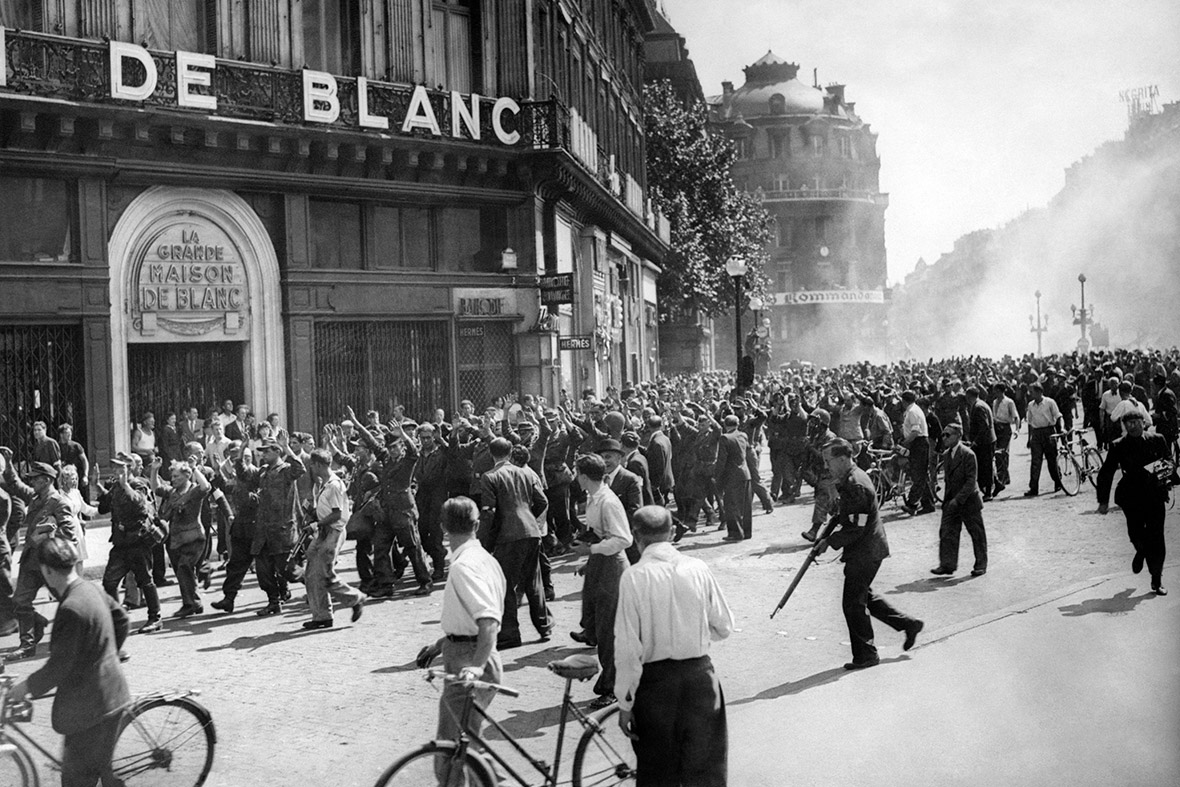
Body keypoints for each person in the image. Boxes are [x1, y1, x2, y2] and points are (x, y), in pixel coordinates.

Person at [614, 505, 733, 787]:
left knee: (658, 773)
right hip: (700, 679)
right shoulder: (697, 568)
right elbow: (724, 626)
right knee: (705, 771)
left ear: (636, 535)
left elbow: (628, 648)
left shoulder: (634, 576)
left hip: (656, 687)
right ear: (670, 532)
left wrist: (625, 702)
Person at [10, 538, 131, 787]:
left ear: (47, 570)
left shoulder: (71, 608)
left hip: (93, 710)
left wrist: (25, 688)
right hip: (112, 695)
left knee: (76, 780)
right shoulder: (91, 588)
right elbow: (122, 619)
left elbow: (58, 667)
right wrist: (105, 657)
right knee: (102, 772)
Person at [815, 439, 923, 670]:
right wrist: (826, 533)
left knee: (853, 603)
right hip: (865, 548)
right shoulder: (849, 478)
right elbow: (846, 515)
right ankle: (909, 624)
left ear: (843, 459)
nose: (826, 466)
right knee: (864, 597)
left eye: (828, 461)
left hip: (866, 551)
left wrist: (829, 542)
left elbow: (856, 527)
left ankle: (866, 654)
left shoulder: (855, 484)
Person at [415, 496, 506, 769]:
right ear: (476, 525)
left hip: (469, 660)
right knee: (470, 746)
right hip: (473, 651)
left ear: (443, 527)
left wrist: (475, 667)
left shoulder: (462, 566)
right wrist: (442, 644)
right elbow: (473, 619)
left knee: (450, 749)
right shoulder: (485, 559)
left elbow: (488, 620)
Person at [571, 453, 633, 708]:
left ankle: (613, 688)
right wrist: (589, 552)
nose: (576, 478)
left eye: (577, 474)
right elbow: (600, 533)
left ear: (585, 476)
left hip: (613, 567)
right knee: (597, 625)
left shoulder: (608, 501)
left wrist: (591, 551)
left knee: (609, 632)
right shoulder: (593, 497)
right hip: (600, 564)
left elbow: (623, 539)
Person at [478, 437, 552, 649]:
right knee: (533, 580)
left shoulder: (490, 476)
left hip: (508, 537)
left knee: (506, 585)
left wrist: (485, 541)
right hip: (532, 532)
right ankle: (544, 625)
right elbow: (542, 502)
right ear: (510, 452)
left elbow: (489, 513)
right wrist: (530, 519)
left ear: (491, 454)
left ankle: (510, 634)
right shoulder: (526, 472)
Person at [6, 461, 78, 661]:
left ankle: (83, 638)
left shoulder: (59, 502)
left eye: (35, 479)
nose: (32, 482)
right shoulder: (37, 498)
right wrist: (9, 464)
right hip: (31, 560)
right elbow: (16, 484)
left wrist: (49, 535)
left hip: (50, 564)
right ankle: (28, 644)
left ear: (46, 480)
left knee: (70, 601)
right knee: (20, 601)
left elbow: (70, 535)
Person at [1097, 410, 1172, 595]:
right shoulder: (1118, 446)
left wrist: (1154, 473)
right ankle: (1141, 550)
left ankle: (1157, 580)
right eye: (1128, 423)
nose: (1132, 426)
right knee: (1135, 533)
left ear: (1143, 422)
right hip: (1131, 497)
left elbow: (1169, 462)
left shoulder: (1157, 439)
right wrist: (1103, 501)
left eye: (1135, 422)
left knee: (1157, 537)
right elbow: (1106, 473)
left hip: (1154, 495)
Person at [301, 449, 366, 629]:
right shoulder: (324, 484)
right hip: (323, 531)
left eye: (313, 465)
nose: (311, 468)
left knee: (324, 573)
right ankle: (321, 615)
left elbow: (337, 515)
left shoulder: (334, 485)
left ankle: (355, 599)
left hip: (333, 532)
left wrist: (316, 524)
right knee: (311, 572)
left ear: (320, 465)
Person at [97, 459, 163, 633]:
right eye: (115, 467)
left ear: (130, 468)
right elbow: (103, 508)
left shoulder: (138, 484)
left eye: (122, 467)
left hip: (137, 541)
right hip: (120, 543)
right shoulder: (115, 487)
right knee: (109, 582)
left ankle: (155, 618)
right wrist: (96, 485)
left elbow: (141, 505)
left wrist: (126, 485)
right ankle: (116, 619)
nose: (117, 470)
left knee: (145, 581)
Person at [251, 433, 307, 615]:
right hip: (264, 529)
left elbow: (300, 469)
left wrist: (287, 448)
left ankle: (316, 583)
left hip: (282, 529)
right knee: (263, 571)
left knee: (289, 570)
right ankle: (273, 601)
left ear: (277, 451)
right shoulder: (264, 472)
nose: (263, 454)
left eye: (266, 451)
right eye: (261, 451)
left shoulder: (286, 470)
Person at [153, 457, 211, 617]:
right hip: (176, 539)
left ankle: (190, 604)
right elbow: (156, 488)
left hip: (194, 537)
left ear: (186, 475)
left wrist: (195, 468)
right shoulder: (172, 493)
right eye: (172, 477)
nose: (173, 480)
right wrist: (154, 470)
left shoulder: (194, 491)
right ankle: (195, 601)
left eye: (176, 476)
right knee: (183, 572)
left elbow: (206, 486)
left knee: (184, 567)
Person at [930, 423, 988, 577]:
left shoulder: (968, 455)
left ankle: (981, 564)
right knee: (947, 532)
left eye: (948, 435)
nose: (944, 438)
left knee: (977, 534)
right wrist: (947, 501)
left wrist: (958, 500)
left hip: (969, 501)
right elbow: (948, 481)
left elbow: (971, 481)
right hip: (952, 500)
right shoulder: (946, 455)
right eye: (943, 435)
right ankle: (947, 564)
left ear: (958, 436)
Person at [715, 415, 752, 542]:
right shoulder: (743, 435)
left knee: (731, 505)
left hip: (731, 475)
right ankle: (746, 531)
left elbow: (721, 460)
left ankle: (735, 533)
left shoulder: (725, 438)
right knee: (745, 505)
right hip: (745, 473)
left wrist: (717, 476)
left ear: (725, 425)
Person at [1023, 382, 1064, 497]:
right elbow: (1030, 423)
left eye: (1033, 392)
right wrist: (1029, 438)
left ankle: (1058, 482)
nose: (1030, 394)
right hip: (1036, 434)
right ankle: (1034, 488)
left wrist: (1060, 430)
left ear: (1040, 392)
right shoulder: (1031, 405)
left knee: (1052, 459)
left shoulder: (1050, 402)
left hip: (1048, 432)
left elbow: (1058, 416)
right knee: (1035, 462)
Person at [900, 391, 936, 515]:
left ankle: (912, 504)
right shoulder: (914, 410)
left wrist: (905, 442)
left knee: (918, 475)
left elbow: (915, 431)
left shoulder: (912, 412)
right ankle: (928, 504)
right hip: (919, 443)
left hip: (918, 443)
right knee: (921, 475)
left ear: (904, 401)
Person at [964, 387, 996, 502]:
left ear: (969, 396)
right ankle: (997, 484)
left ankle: (988, 492)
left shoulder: (978, 407)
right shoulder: (980, 404)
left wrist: (975, 442)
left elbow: (984, 426)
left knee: (985, 467)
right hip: (985, 441)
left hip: (985, 442)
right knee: (984, 466)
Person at [990, 382, 1020, 495]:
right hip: (996, 428)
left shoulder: (1009, 402)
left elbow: (1016, 417)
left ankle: (1001, 480)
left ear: (1002, 391)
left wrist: (1017, 430)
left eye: (997, 390)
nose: (995, 393)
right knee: (997, 454)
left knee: (1002, 454)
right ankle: (1003, 479)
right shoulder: (994, 402)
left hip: (1005, 429)